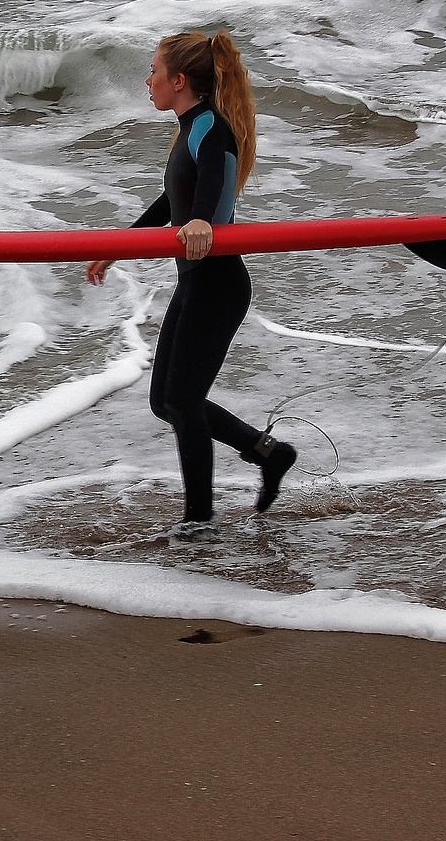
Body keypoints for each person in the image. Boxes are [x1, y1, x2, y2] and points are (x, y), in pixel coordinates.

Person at [86, 31, 297, 541]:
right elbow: (171, 202)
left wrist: (204, 220)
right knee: (167, 401)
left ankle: (199, 522)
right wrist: (121, 244)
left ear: (178, 81)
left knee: (182, 400)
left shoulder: (212, 129)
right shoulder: (190, 128)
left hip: (218, 284)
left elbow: (211, 199)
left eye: (154, 71)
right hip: (199, 282)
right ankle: (270, 454)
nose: (147, 80)